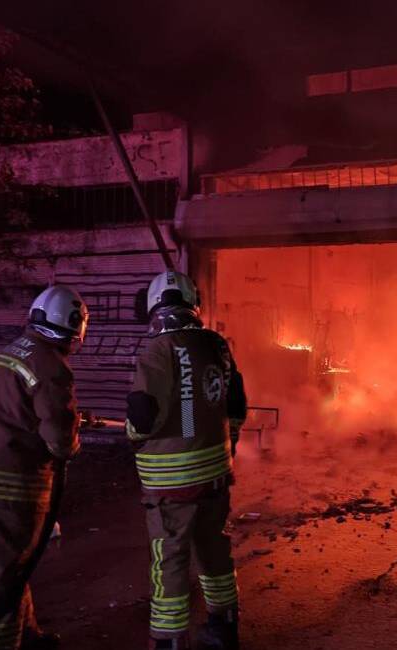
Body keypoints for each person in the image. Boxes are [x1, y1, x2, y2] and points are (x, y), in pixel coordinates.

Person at [0, 285, 89, 650]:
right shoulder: (52, 366)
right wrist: (72, 439)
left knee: (11, 568)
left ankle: (28, 636)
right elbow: (59, 439)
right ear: (75, 329)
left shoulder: (10, 352)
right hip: (6, 489)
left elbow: (17, 411)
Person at [126, 270, 247, 650]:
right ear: (194, 304)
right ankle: (224, 625)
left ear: (153, 308)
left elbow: (143, 418)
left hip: (172, 485)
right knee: (214, 549)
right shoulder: (217, 345)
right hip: (215, 476)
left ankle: (168, 641)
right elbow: (237, 405)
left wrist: (131, 436)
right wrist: (230, 444)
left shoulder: (156, 351)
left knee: (170, 561)